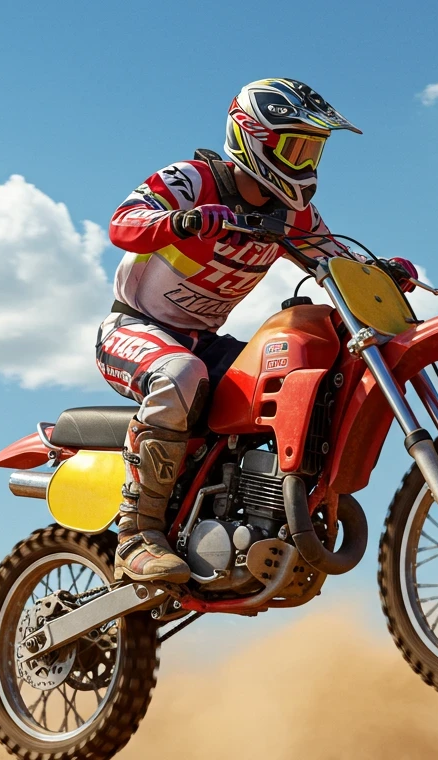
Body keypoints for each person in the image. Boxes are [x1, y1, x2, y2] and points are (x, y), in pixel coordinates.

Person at [97, 78, 418, 584]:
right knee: (181, 372)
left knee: (290, 382)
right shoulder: (192, 179)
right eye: (295, 146)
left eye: (314, 149)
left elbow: (334, 258)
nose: (307, 161)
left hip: (207, 343)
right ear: (253, 138)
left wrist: (380, 272)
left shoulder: (294, 214)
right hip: (135, 327)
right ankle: (135, 536)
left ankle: (256, 513)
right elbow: (123, 223)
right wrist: (183, 221)